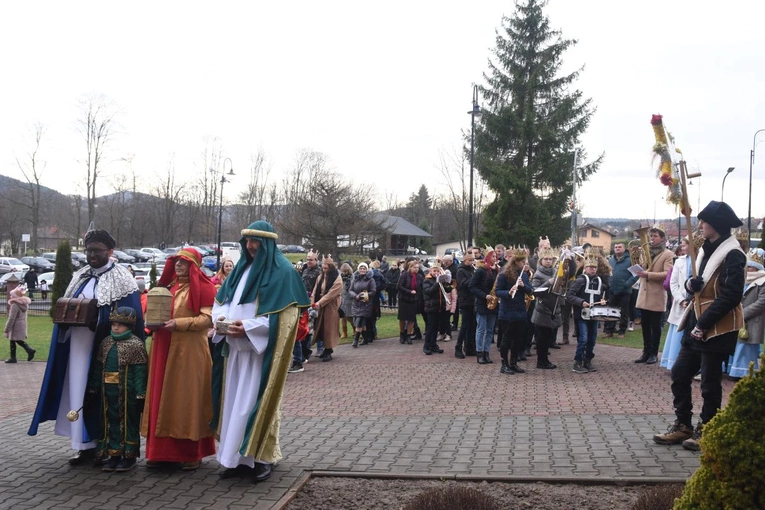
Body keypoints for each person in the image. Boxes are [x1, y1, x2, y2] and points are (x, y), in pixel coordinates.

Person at [29, 228, 144, 466]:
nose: (91, 255)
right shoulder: (80, 274)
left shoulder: (123, 277)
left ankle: (116, 449)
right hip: (77, 348)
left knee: (110, 400)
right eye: (88, 250)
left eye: (97, 251)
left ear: (110, 251)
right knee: (78, 392)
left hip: (108, 350)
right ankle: (85, 446)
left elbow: (131, 316)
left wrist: (99, 322)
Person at [210, 221, 309, 482]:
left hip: (260, 356)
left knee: (256, 405)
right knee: (233, 405)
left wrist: (250, 327)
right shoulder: (239, 270)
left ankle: (261, 459)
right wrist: (220, 321)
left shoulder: (284, 273)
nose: (251, 246)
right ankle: (234, 459)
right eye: (247, 242)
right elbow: (221, 301)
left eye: (256, 242)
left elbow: (287, 318)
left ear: (268, 244)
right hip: (234, 351)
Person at [653, 201, 746, 451]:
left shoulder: (733, 254)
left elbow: (731, 295)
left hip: (718, 326)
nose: (700, 225)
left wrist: (703, 324)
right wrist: (690, 286)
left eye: (703, 221)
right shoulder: (704, 250)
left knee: (709, 382)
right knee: (680, 373)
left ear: (716, 224)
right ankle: (683, 424)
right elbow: (699, 285)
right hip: (696, 320)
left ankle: (708, 428)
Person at [141, 248, 217, 470]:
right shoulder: (168, 288)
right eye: (175, 262)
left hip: (189, 352)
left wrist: (179, 323)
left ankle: (190, 453)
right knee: (160, 396)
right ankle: (161, 453)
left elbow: (207, 319)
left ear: (193, 265)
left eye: (183, 263)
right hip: (163, 348)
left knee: (186, 399)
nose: (178, 266)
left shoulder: (204, 287)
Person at [87, 307, 148, 473]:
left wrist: (140, 392)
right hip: (108, 391)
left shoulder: (135, 345)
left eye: (120, 325)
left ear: (129, 326)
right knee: (109, 421)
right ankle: (113, 454)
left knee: (128, 422)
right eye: (113, 324)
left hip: (127, 392)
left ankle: (129, 456)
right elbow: (99, 366)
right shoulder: (106, 342)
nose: (115, 328)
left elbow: (140, 371)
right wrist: (94, 386)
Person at [634, 227, 674, 365]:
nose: (652, 238)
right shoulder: (647, 251)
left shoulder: (668, 254)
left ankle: (653, 354)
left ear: (662, 238)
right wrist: (638, 264)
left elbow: (667, 274)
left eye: (655, 236)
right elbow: (642, 266)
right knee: (645, 325)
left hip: (657, 295)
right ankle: (645, 352)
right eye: (650, 236)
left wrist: (648, 274)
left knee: (655, 326)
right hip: (644, 294)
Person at [566, 250, 608, 374]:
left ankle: (588, 360)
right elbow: (569, 295)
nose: (593, 269)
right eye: (590, 267)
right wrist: (581, 302)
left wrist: (603, 300)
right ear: (585, 268)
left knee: (592, 339)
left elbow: (602, 296)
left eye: (594, 267)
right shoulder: (580, 280)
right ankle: (577, 362)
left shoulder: (599, 281)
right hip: (582, 315)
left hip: (594, 315)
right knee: (583, 339)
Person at [727, 248, 765, 379]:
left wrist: (743, 313)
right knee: (736, 345)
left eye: (751, 268)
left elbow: (761, 302)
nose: (748, 269)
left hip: (752, 320)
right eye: (747, 267)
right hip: (737, 317)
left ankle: (745, 373)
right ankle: (733, 370)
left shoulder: (762, 281)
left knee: (746, 347)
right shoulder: (743, 279)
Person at [495, 248, 533, 374]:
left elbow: (530, 290)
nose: (525, 265)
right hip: (507, 311)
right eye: (523, 262)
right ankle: (504, 364)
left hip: (520, 310)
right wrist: (508, 292)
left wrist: (523, 286)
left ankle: (513, 362)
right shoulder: (504, 274)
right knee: (506, 338)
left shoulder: (523, 275)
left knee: (518, 338)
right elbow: (497, 291)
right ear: (516, 262)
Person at [531, 247, 566, 370]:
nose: (548, 261)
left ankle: (545, 359)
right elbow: (534, 291)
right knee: (541, 338)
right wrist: (548, 283)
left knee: (548, 337)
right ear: (541, 261)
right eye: (546, 259)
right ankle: (541, 361)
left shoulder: (556, 271)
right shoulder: (538, 274)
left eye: (550, 259)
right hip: (543, 308)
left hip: (553, 308)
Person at [661, 238, 691, 370]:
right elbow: (673, 283)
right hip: (681, 303)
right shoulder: (679, 261)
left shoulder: (703, 260)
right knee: (678, 332)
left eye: (685, 246)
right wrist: (681, 299)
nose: (682, 248)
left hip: (696, 303)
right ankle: (674, 363)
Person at [470, 246, 499, 364]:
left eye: (496, 256)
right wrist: (484, 295)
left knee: (490, 330)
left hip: (493, 303)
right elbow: (471, 286)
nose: (495, 258)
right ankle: (479, 353)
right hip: (482, 302)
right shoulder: (481, 270)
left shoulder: (495, 270)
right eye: (493, 256)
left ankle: (487, 353)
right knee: (481, 329)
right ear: (487, 257)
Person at [311, 256, 342, 361]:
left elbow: (332, 294)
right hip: (320, 306)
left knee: (329, 328)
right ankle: (325, 349)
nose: (324, 270)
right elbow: (315, 290)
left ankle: (329, 350)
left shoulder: (337, 278)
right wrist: (313, 303)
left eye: (326, 268)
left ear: (331, 267)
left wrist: (320, 302)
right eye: (323, 268)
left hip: (330, 306)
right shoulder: (320, 277)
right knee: (320, 328)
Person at [603, 243, 637, 339]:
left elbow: (636, 274)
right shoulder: (611, 260)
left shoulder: (630, 260)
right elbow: (607, 272)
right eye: (616, 247)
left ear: (624, 248)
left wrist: (627, 284)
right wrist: (609, 282)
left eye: (619, 247)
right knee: (611, 311)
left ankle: (622, 331)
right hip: (613, 289)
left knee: (624, 313)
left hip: (625, 291)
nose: (617, 248)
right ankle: (609, 331)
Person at [421, 265, 449, 355]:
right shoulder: (427, 280)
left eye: (438, 271)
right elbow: (429, 292)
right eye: (434, 271)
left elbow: (447, 290)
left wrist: (449, 283)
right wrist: (437, 283)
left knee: (436, 327)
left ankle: (433, 345)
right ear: (430, 271)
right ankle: (426, 346)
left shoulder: (440, 280)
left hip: (440, 307)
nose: (436, 273)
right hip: (431, 307)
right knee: (431, 327)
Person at [4, 286, 35, 363]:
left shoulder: (15, 305)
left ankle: (29, 350)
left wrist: (6, 329)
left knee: (15, 340)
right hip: (21, 324)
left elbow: (12, 318)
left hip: (15, 325)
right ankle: (14, 357)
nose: (11, 296)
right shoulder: (24, 304)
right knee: (14, 340)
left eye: (12, 295)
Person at [349, 262, 376, 347]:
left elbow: (373, 291)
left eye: (364, 268)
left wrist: (364, 295)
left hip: (365, 303)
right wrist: (355, 296)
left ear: (367, 269)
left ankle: (356, 340)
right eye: (361, 268)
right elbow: (350, 290)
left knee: (359, 321)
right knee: (360, 322)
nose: (362, 270)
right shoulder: (355, 279)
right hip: (356, 303)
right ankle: (365, 338)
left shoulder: (371, 280)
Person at [455, 253, 476, 359]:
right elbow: (463, 284)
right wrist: (474, 278)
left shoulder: (472, 270)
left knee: (472, 325)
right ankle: (458, 347)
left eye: (473, 260)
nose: (472, 262)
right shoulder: (460, 270)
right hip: (465, 300)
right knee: (465, 325)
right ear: (465, 260)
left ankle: (470, 347)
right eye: (470, 260)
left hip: (473, 300)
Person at [397, 260, 422, 344]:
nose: (416, 269)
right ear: (410, 267)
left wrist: (417, 295)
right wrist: (409, 291)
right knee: (402, 318)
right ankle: (402, 334)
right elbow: (399, 286)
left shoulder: (419, 277)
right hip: (404, 299)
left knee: (411, 318)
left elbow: (421, 288)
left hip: (413, 300)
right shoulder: (404, 275)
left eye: (418, 268)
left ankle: (408, 335)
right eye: (415, 267)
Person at [339, 263, 354, 339]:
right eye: (343, 271)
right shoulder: (339, 277)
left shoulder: (352, 277)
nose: (344, 273)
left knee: (349, 316)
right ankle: (344, 332)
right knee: (342, 317)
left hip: (349, 299)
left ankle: (355, 330)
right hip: (342, 298)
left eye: (346, 271)